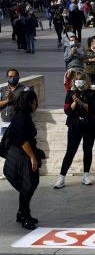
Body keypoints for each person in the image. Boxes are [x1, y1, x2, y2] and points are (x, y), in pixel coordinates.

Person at [2, 87, 42, 230]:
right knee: (28, 186)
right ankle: (25, 217)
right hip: (20, 156)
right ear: (29, 102)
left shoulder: (23, 114)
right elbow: (22, 140)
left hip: (19, 155)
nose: (36, 104)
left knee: (29, 186)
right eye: (35, 101)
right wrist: (33, 157)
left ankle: (22, 213)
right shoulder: (22, 117)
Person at [53, 72, 95, 189]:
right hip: (75, 126)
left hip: (90, 126)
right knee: (70, 151)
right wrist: (74, 102)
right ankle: (61, 177)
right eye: (77, 79)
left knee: (87, 150)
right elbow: (67, 110)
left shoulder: (92, 93)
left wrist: (82, 103)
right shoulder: (70, 93)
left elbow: (94, 109)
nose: (79, 81)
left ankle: (86, 175)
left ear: (86, 81)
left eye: (81, 79)